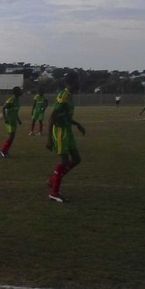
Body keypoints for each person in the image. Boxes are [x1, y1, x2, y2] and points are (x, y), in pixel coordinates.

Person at [45, 71, 86, 203]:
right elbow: (52, 117)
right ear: (72, 81)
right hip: (60, 132)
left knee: (76, 159)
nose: (79, 83)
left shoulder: (70, 96)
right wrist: (49, 139)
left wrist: (77, 124)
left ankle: (53, 180)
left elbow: (66, 116)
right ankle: (54, 193)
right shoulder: (63, 96)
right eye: (78, 80)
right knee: (64, 162)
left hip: (67, 130)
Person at [0, 86, 22, 158]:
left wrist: (18, 120)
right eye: (20, 91)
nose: (21, 92)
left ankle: (5, 150)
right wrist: (5, 118)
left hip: (14, 121)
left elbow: (15, 111)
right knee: (11, 136)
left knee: (12, 136)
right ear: (16, 92)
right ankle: (3, 150)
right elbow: (3, 108)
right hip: (10, 121)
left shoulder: (18, 100)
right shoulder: (11, 100)